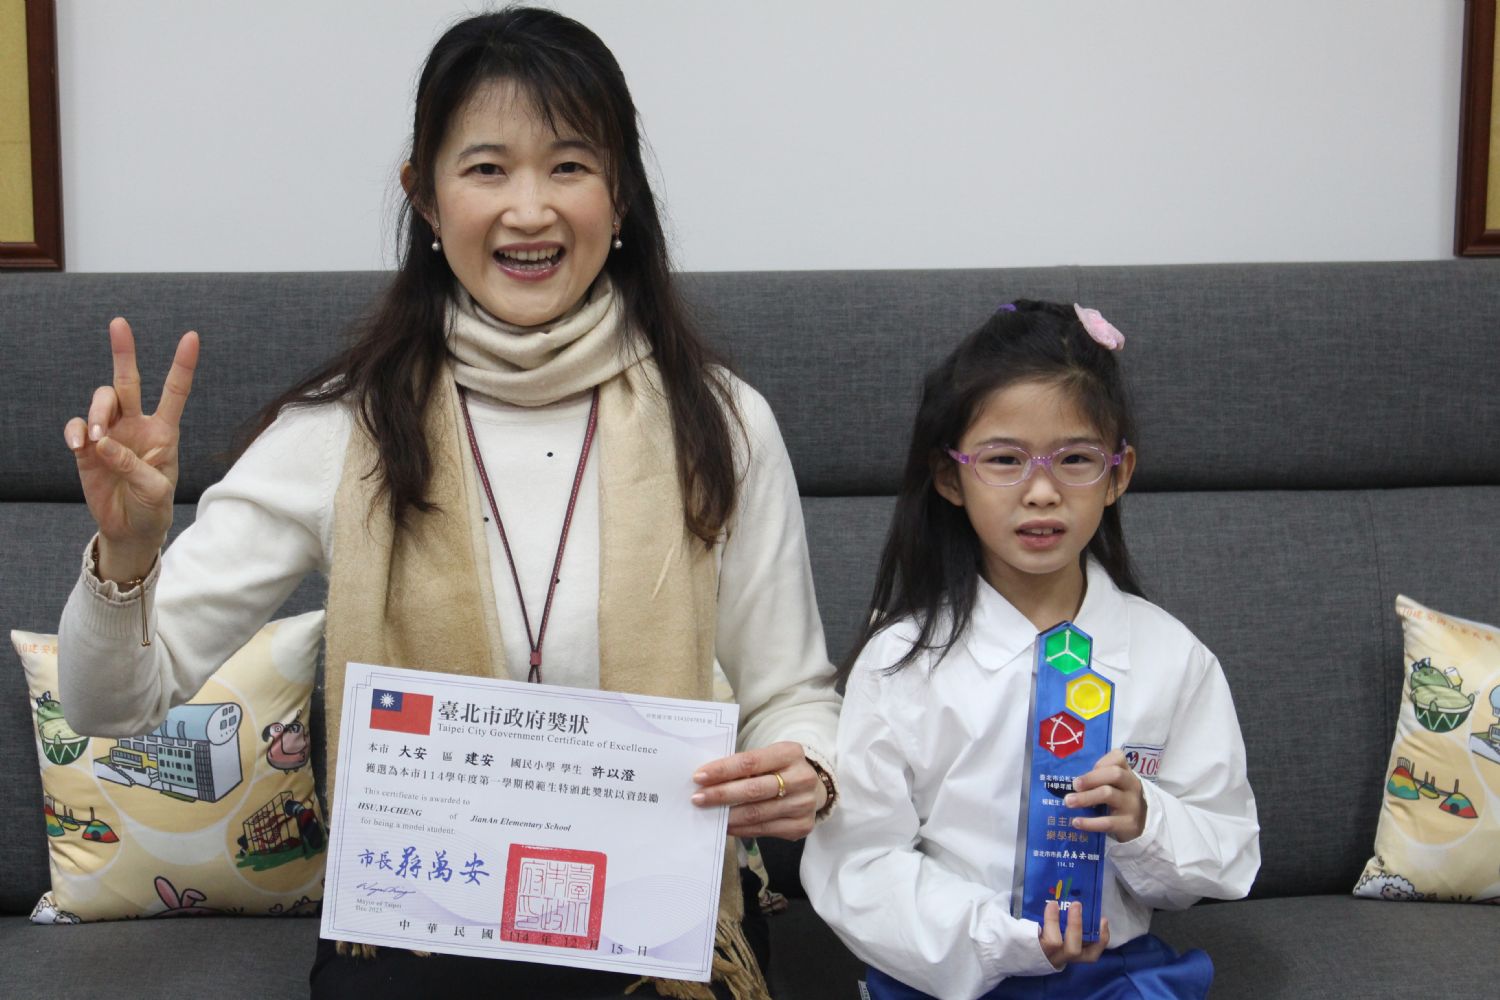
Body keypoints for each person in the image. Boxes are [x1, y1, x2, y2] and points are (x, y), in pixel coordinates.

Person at [57, 8, 839, 999]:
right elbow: (110, 706)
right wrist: (127, 558)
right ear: (424, 197)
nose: (530, 210)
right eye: (487, 169)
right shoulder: (342, 431)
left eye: (569, 166)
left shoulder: (720, 423)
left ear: (622, 196)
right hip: (419, 936)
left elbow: (792, 694)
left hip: (657, 929)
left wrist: (809, 769)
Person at [799, 301, 1259, 1000]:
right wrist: (999, 938)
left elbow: (1229, 850)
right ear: (950, 477)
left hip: (1113, 976)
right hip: (948, 974)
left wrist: (1145, 822)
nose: (1041, 492)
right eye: (1005, 460)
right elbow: (857, 866)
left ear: (1118, 473)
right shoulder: (900, 663)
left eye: (1075, 460)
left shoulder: (1174, 658)